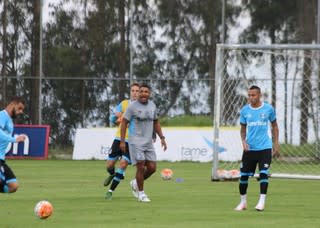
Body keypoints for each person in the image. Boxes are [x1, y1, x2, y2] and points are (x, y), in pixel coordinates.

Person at [234, 85, 280, 211]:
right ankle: (243, 203)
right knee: (243, 176)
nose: (251, 97)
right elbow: (243, 130)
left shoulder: (268, 109)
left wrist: (276, 143)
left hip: (265, 147)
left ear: (259, 95)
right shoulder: (244, 111)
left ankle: (261, 202)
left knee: (263, 174)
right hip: (250, 149)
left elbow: (275, 126)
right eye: (249, 95)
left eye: (253, 95)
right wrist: (243, 141)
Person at [120, 83, 167, 202]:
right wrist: (122, 141)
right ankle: (141, 194)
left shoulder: (152, 105)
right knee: (140, 166)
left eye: (146, 92)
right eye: (141, 92)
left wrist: (162, 137)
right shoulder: (132, 107)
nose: (143, 94)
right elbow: (124, 122)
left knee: (152, 168)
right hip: (135, 142)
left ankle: (135, 182)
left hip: (148, 142)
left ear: (149, 94)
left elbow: (156, 122)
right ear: (139, 93)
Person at [104, 83, 140, 199]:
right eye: (133, 90)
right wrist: (116, 116)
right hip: (119, 138)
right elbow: (113, 118)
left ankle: (110, 191)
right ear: (130, 92)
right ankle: (112, 174)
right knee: (109, 165)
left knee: (123, 163)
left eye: (137, 91)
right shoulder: (124, 104)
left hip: (132, 142)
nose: (135, 93)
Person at [0, 96, 27, 194]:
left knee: (13, 186)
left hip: (1, 159)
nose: (21, 112)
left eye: (22, 110)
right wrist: (14, 139)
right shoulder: (2, 115)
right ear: (12, 104)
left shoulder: (10, 121)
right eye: (19, 108)